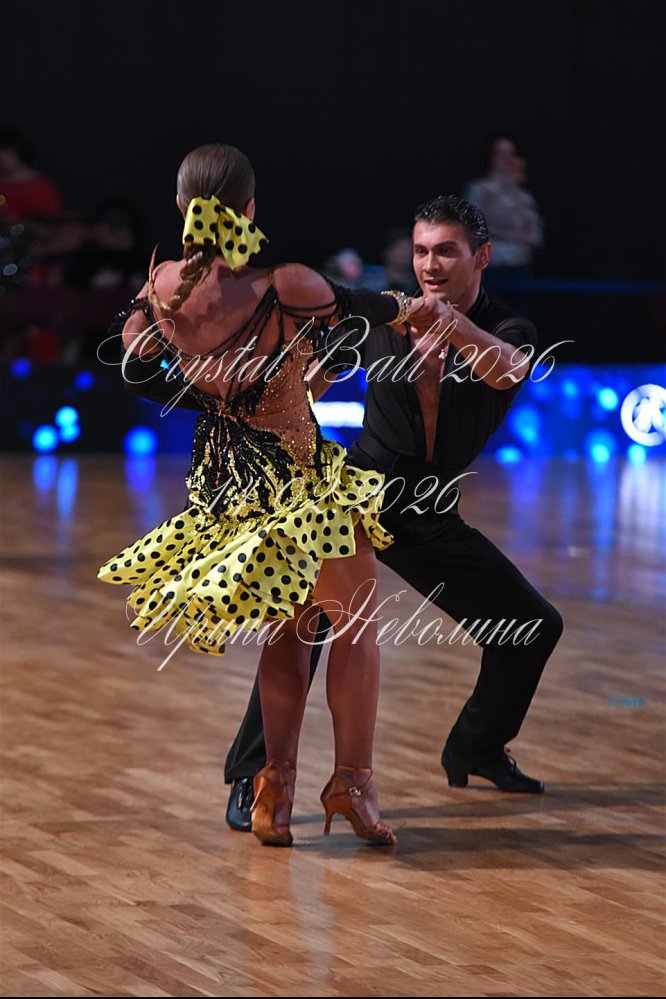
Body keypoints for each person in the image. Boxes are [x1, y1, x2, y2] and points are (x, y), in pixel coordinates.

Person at [97, 143, 447, 849]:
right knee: (355, 631)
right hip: (302, 483)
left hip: (232, 488)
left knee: (289, 632)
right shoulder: (286, 284)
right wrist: (416, 307)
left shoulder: (162, 285)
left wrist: (207, 398)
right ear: (251, 208)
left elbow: (132, 363)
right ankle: (352, 784)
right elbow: (370, 309)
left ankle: (273, 796)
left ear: (181, 206)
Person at [222, 194, 564, 831]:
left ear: (482, 257)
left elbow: (507, 371)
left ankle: (476, 748)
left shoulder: (506, 328)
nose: (429, 265)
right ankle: (255, 776)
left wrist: (450, 324)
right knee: (302, 623)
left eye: (446, 251)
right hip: (357, 496)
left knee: (532, 626)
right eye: (421, 251)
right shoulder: (384, 317)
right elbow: (311, 381)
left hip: (428, 510)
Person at [464, 134, 543, 306]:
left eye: (510, 154)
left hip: (519, 267)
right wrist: (513, 234)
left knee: (519, 316)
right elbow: (475, 227)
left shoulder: (524, 197)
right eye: (500, 153)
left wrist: (512, 188)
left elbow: (536, 236)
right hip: (490, 266)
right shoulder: (479, 191)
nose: (505, 159)